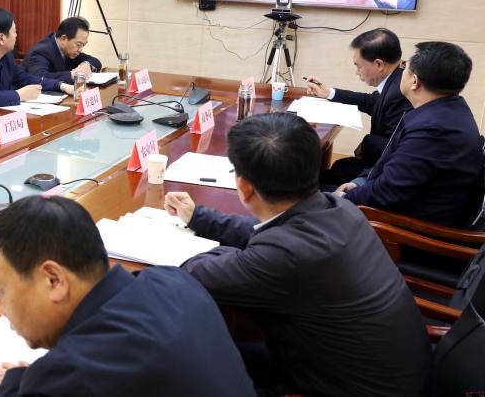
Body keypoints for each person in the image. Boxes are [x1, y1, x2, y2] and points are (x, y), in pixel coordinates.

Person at [165, 112, 433, 397]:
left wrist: (232, 255)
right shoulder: (337, 208)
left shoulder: (285, 256)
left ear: (244, 187)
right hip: (374, 374)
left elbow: (194, 273)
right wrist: (199, 217)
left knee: (174, 366)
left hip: (334, 386)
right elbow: (269, 233)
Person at [0, 195, 256, 397]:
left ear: (54, 280)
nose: (2, 310)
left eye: (2, 291)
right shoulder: (174, 281)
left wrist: (18, 382)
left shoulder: (70, 375)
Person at [337, 41, 484, 228]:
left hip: (409, 230)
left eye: (404, 66)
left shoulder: (433, 130)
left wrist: (344, 199)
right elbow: (393, 163)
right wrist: (360, 183)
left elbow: (388, 191)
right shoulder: (447, 109)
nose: (401, 70)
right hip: (407, 207)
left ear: (414, 81)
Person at [305, 28, 411, 187]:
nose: (357, 72)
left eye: (359, 66)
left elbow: (395, 149)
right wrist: (329, 92)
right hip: (376, 164)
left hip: (381, 174)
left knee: (321, 180)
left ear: (379, 64)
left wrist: (367, 142)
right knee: (337, 167)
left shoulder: (400, 92)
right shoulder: (396, 78)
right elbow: (370, 102)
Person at [22, 17, 102, 84]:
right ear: (63, 39)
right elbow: (39, 78)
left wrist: (86, 65)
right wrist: (71, 75)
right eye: (78, 45)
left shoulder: (71, 50)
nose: (80, 50)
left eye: (83, 45)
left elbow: (96, 62)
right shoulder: (41, 52)